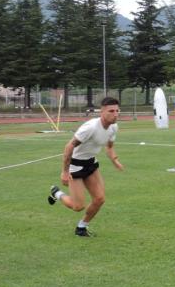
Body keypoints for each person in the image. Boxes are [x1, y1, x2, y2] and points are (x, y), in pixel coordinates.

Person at [48, 97, 124, 237]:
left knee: (100, 199)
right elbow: (69, 146)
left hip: (90, 163)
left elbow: (110, 146)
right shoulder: (90, 127)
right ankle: (56, 193)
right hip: (75, 165)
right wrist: (65, 171)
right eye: (111, 111)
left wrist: (115, 160)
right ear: (102, 111)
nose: (115, 114)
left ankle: (81, 227)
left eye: (117, 111)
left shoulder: (114, 127)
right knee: (78, 206)